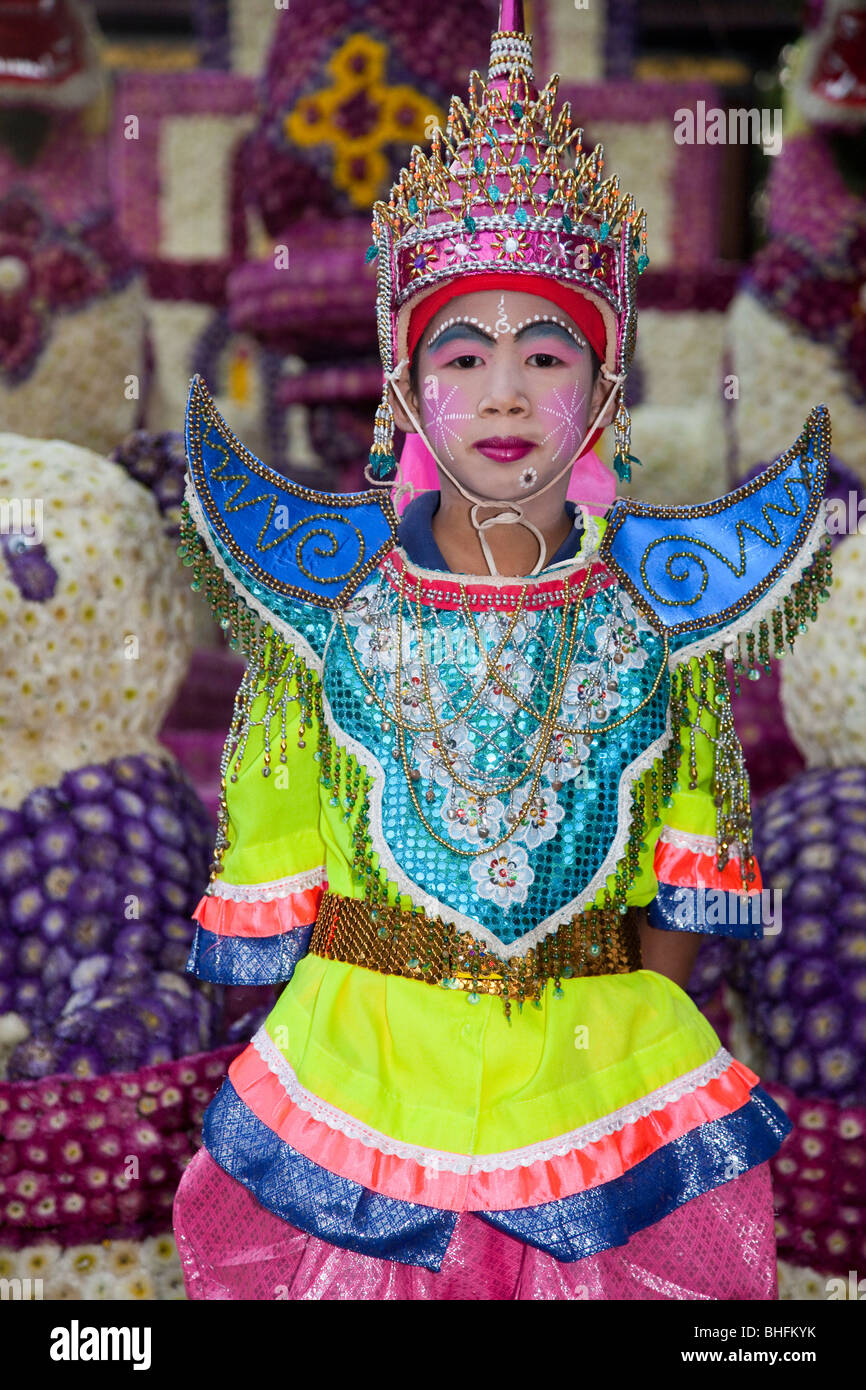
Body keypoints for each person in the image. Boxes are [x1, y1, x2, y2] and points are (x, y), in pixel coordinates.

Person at [171, 1, 832, 1300]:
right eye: (462, 358)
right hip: (363, 1064)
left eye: (548, 354)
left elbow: (683, 870)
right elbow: (283, 873)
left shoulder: (660, 615)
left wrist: (615, 1041)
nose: (508, 394)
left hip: (597, 1060)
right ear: (408, 390)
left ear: (603, 385)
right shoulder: (323, 608)